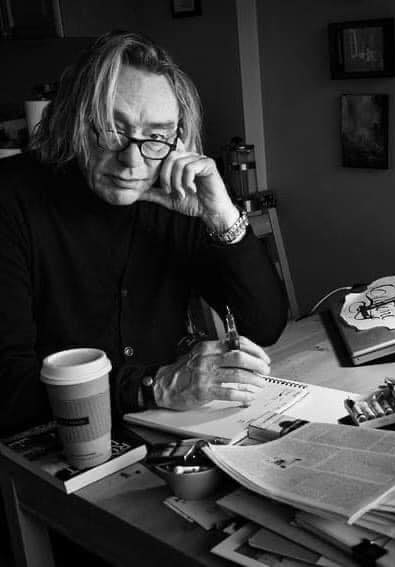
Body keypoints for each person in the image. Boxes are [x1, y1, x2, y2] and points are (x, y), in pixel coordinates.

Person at [0, 30, 288, 437]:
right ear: (74, 120)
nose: (132, 161)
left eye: (156, 136)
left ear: (176, 138)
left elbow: (263, 326)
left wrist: (221, 216)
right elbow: (8, 386)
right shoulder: (10, 198)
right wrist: (156, 385)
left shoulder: (176, 191)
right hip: (50, 441)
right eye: (112, 129)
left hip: (168, 429)